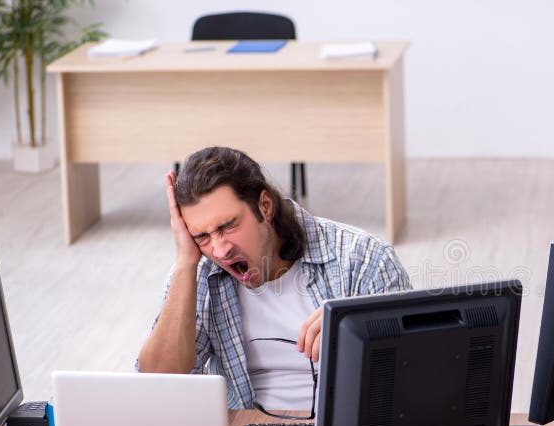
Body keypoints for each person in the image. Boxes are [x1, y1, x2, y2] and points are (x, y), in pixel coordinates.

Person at [137, 146, 411, 410]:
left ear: (265, 206)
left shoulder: (362, 258)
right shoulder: (198, 272)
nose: (219, 249)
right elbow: (159, 383)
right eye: (202, 236)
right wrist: (185, 263)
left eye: (228, 226)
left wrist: (355, 335)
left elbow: (412, 372)